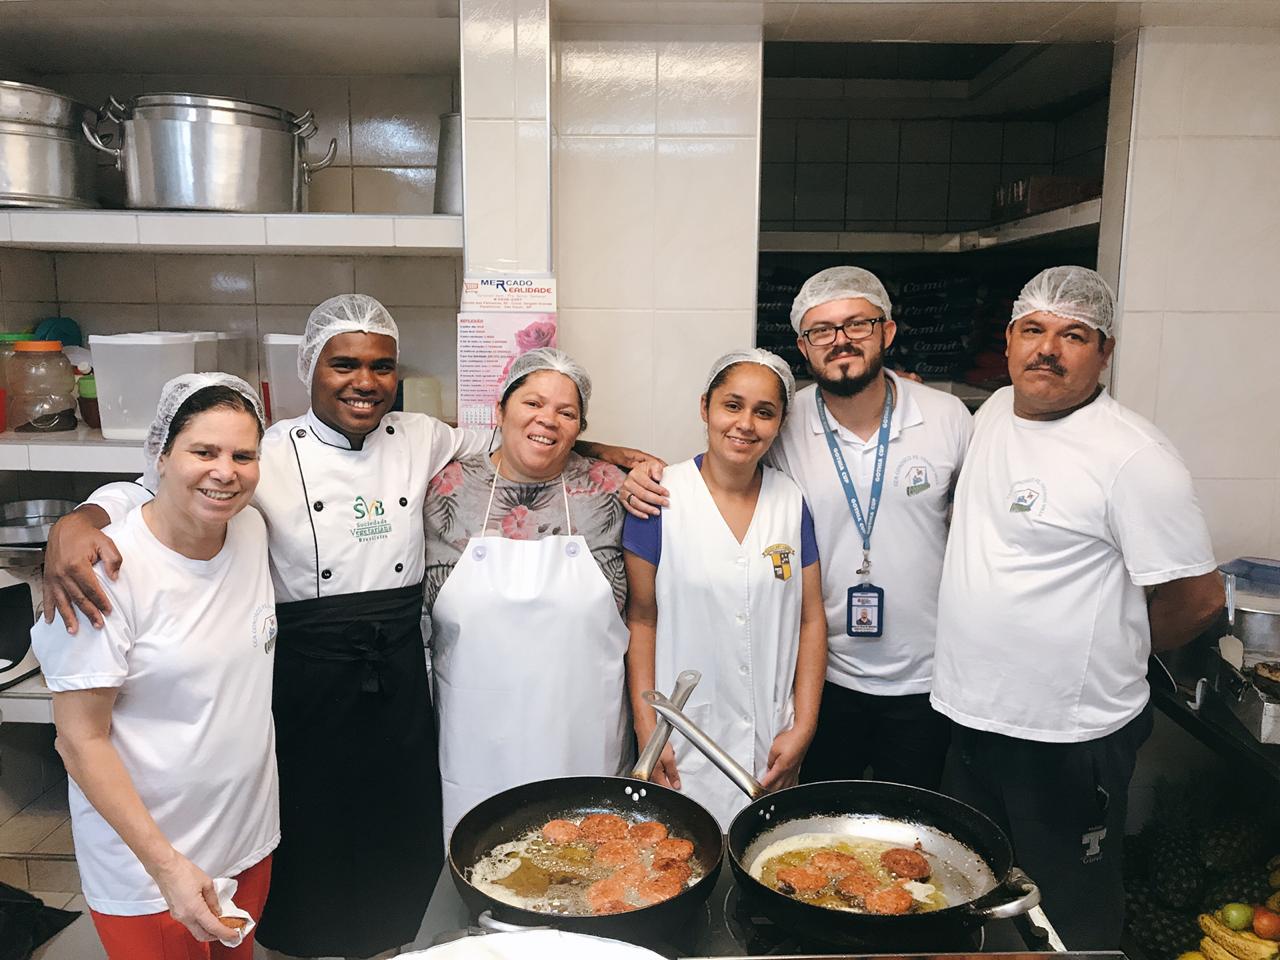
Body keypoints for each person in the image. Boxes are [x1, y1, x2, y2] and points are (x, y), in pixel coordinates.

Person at [41, 298, 648, 960]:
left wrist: (607, 450)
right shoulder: (260, 450)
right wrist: (82, 518)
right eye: (345, 364)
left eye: (381, 366)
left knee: (398, 835)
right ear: (312, 368)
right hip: (308, 669)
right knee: (314, 835)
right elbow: (151, 487)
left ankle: (398, 945)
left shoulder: (421, 436)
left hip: (396, 671)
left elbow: (524, 434)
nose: (365, 381)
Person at [930, 266, 1225, 949]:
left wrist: (1117, 646)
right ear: (1008, 341)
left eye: (1074, 335)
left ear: (1106, 352)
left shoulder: (1133, 456)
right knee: (969, 894)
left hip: (1068, 737)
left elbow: (1201, 598)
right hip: (971, 718)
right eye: (1032, 330)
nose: (1047, 349)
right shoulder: (995, 411)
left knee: (1064, 915)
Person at [623, 266, 973, 790]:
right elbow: (646, 611)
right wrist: (622, 464)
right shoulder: (785, 431)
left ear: (888, 331)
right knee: (810, 834)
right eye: (822, 331)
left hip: (924, 676)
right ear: (804, 347)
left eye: (858, 324)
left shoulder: (948, 418)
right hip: (831, 682)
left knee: (906, 830)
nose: (841, 341)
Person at [31, 375, 275, 960]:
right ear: (161, 456)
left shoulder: (250, 530)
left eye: (243, 455)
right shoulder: (104, 571)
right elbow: (79, 741)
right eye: (203, 452)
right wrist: (166, 868)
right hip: (153, 871)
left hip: (248, 841)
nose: (226, 471)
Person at [424, 348, 631, 837]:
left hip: (582, 734)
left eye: (566, 411)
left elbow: (645, 615)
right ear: (501, 410)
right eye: (533, 403)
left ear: (581, 426)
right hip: (477, 740)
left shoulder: (614, 490)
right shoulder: (443, 488)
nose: (548, 420)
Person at [623, 349, 826, 828]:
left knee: (763, 864)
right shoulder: (660, 497)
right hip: (681, 735)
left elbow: (811, 618)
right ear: (705, 408)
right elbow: (641, 618)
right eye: (732, 405)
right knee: (680, 862)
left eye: (764, 412)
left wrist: (805, 725)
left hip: (772, 737)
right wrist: (645, 722)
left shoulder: (790, 500)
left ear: (778, 424)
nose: (745, 424)